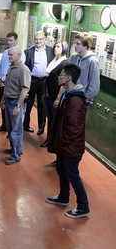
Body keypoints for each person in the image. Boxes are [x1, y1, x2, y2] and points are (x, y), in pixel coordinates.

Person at [45, 64, 90, 219]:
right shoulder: (68, 94)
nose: (59, 77)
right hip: (63, 145)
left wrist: (64, 144)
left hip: (69, 147)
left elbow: (74, 128)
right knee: (61, 171)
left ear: (69, 78)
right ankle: (63, 197)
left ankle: (83, 207)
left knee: (73, 175)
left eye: (61, 75)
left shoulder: (75, 100)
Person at [1, 46, 31, 165]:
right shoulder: (11, 67)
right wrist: (3, 100)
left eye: (11, 55)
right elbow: (8, 86)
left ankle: (16, 156)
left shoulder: (23, 69)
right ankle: (15, 149)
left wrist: (18, 106)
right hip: (8, 101)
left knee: (16, 131)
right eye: (8, 55)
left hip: (15, 103)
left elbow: (25, 89)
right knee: (10, 129)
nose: (9, 57)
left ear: (19, 55)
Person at [42, 41, 68, 168]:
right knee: (50, 119)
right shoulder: (53, 60)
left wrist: (58, 98)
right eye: (55, 46)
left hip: (55, 96)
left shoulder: (64, 63)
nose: (55, 48)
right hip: (48, 95)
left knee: (55, 121)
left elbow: (63, 84)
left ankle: (52, 141)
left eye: (58, 46)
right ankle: (49, 139)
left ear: (64, 49)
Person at [23, 30, 54, 135]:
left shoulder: (51, 51)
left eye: (40, 39)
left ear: (44, 40)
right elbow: (25, 68)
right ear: (34, 40)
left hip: (44, 81)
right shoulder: (28, 52)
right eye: (36, 39)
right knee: (28, 104)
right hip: (31, 80)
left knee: (42, 105)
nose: (38, 41)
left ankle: (41, 128)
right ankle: (25, 125)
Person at [0, 32, 26, 132]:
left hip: (12, 85)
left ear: (16, 40)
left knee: (11, 108)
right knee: (3, 105)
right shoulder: (5, 52)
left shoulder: (21, 53)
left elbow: (19, 70)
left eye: (11, 40)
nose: (9, 42)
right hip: (2, 83)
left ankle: (12, 129)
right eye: (7, 40)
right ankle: (4, 125)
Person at [68, 32, 100, 108]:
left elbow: (94, 87)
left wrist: (83, 99)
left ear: (86, 46)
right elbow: (67, 75)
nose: (75, 46)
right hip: (69, 98)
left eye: (78, 44)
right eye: (75, 43)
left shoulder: (92, 61)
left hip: (81, 103)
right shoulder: (73, 57)